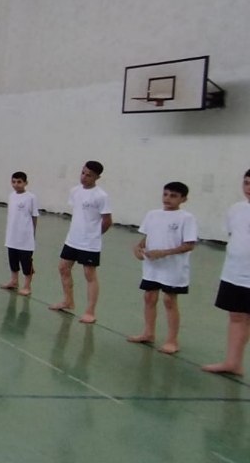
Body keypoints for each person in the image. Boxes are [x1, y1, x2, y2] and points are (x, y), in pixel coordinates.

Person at [127, 181, 197, 355]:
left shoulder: (186, 218)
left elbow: (189, 245)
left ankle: (172, 341)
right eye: (165, 194)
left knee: (169, 301)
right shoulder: (152, 215)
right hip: (152, 266)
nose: (167, 198)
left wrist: (164, 253)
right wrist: (138, 248)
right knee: (149, 297)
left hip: (173, 268)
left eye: (173, 196)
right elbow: (147, 237)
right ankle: (148, 333)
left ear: (183, 199)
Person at [50, 161, 112, 323]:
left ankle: (90, 312)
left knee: (89, 275)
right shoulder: (75, 191)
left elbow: (107, 221)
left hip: (89, 243)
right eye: (83, 173)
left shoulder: (101, 196)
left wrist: (94, 235)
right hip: (72, 240)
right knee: (63, 268)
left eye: (89, 175)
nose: (84, 177)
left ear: (97, 177)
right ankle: (68, 301)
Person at [203, 169, 250, 376]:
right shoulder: (236, 209)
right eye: (246, 183)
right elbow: (234, 235)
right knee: (236, 316)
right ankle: (233, 363)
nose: (249, 188)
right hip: (234, 272)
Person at [1, 171, 39, 296]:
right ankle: (14, 281)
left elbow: (34, 216)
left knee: (26, 263)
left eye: (19, 182)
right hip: (12, 235)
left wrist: (32, 233)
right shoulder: (11, 196)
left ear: (25, 183)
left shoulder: (31, 197)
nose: (16, 185)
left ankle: (27, 286)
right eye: (13, 182)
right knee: (13, 260)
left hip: (25, 237)